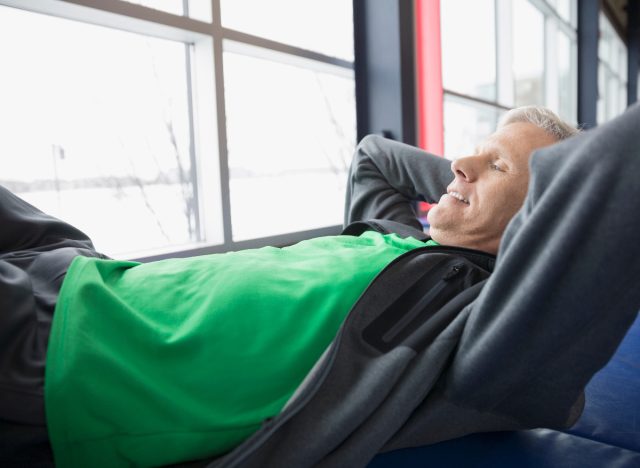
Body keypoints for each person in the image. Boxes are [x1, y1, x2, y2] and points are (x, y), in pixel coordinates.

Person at [0, 104, 630, 467]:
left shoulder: (478, 331)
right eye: (473, 151)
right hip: (75, 268)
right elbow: (372, 156)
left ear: (543, 220)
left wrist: (515, 203)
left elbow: (612, 173)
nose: (462, 161)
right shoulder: (399, 237)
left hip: (63, 359)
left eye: (497, 166)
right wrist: (472, 180)